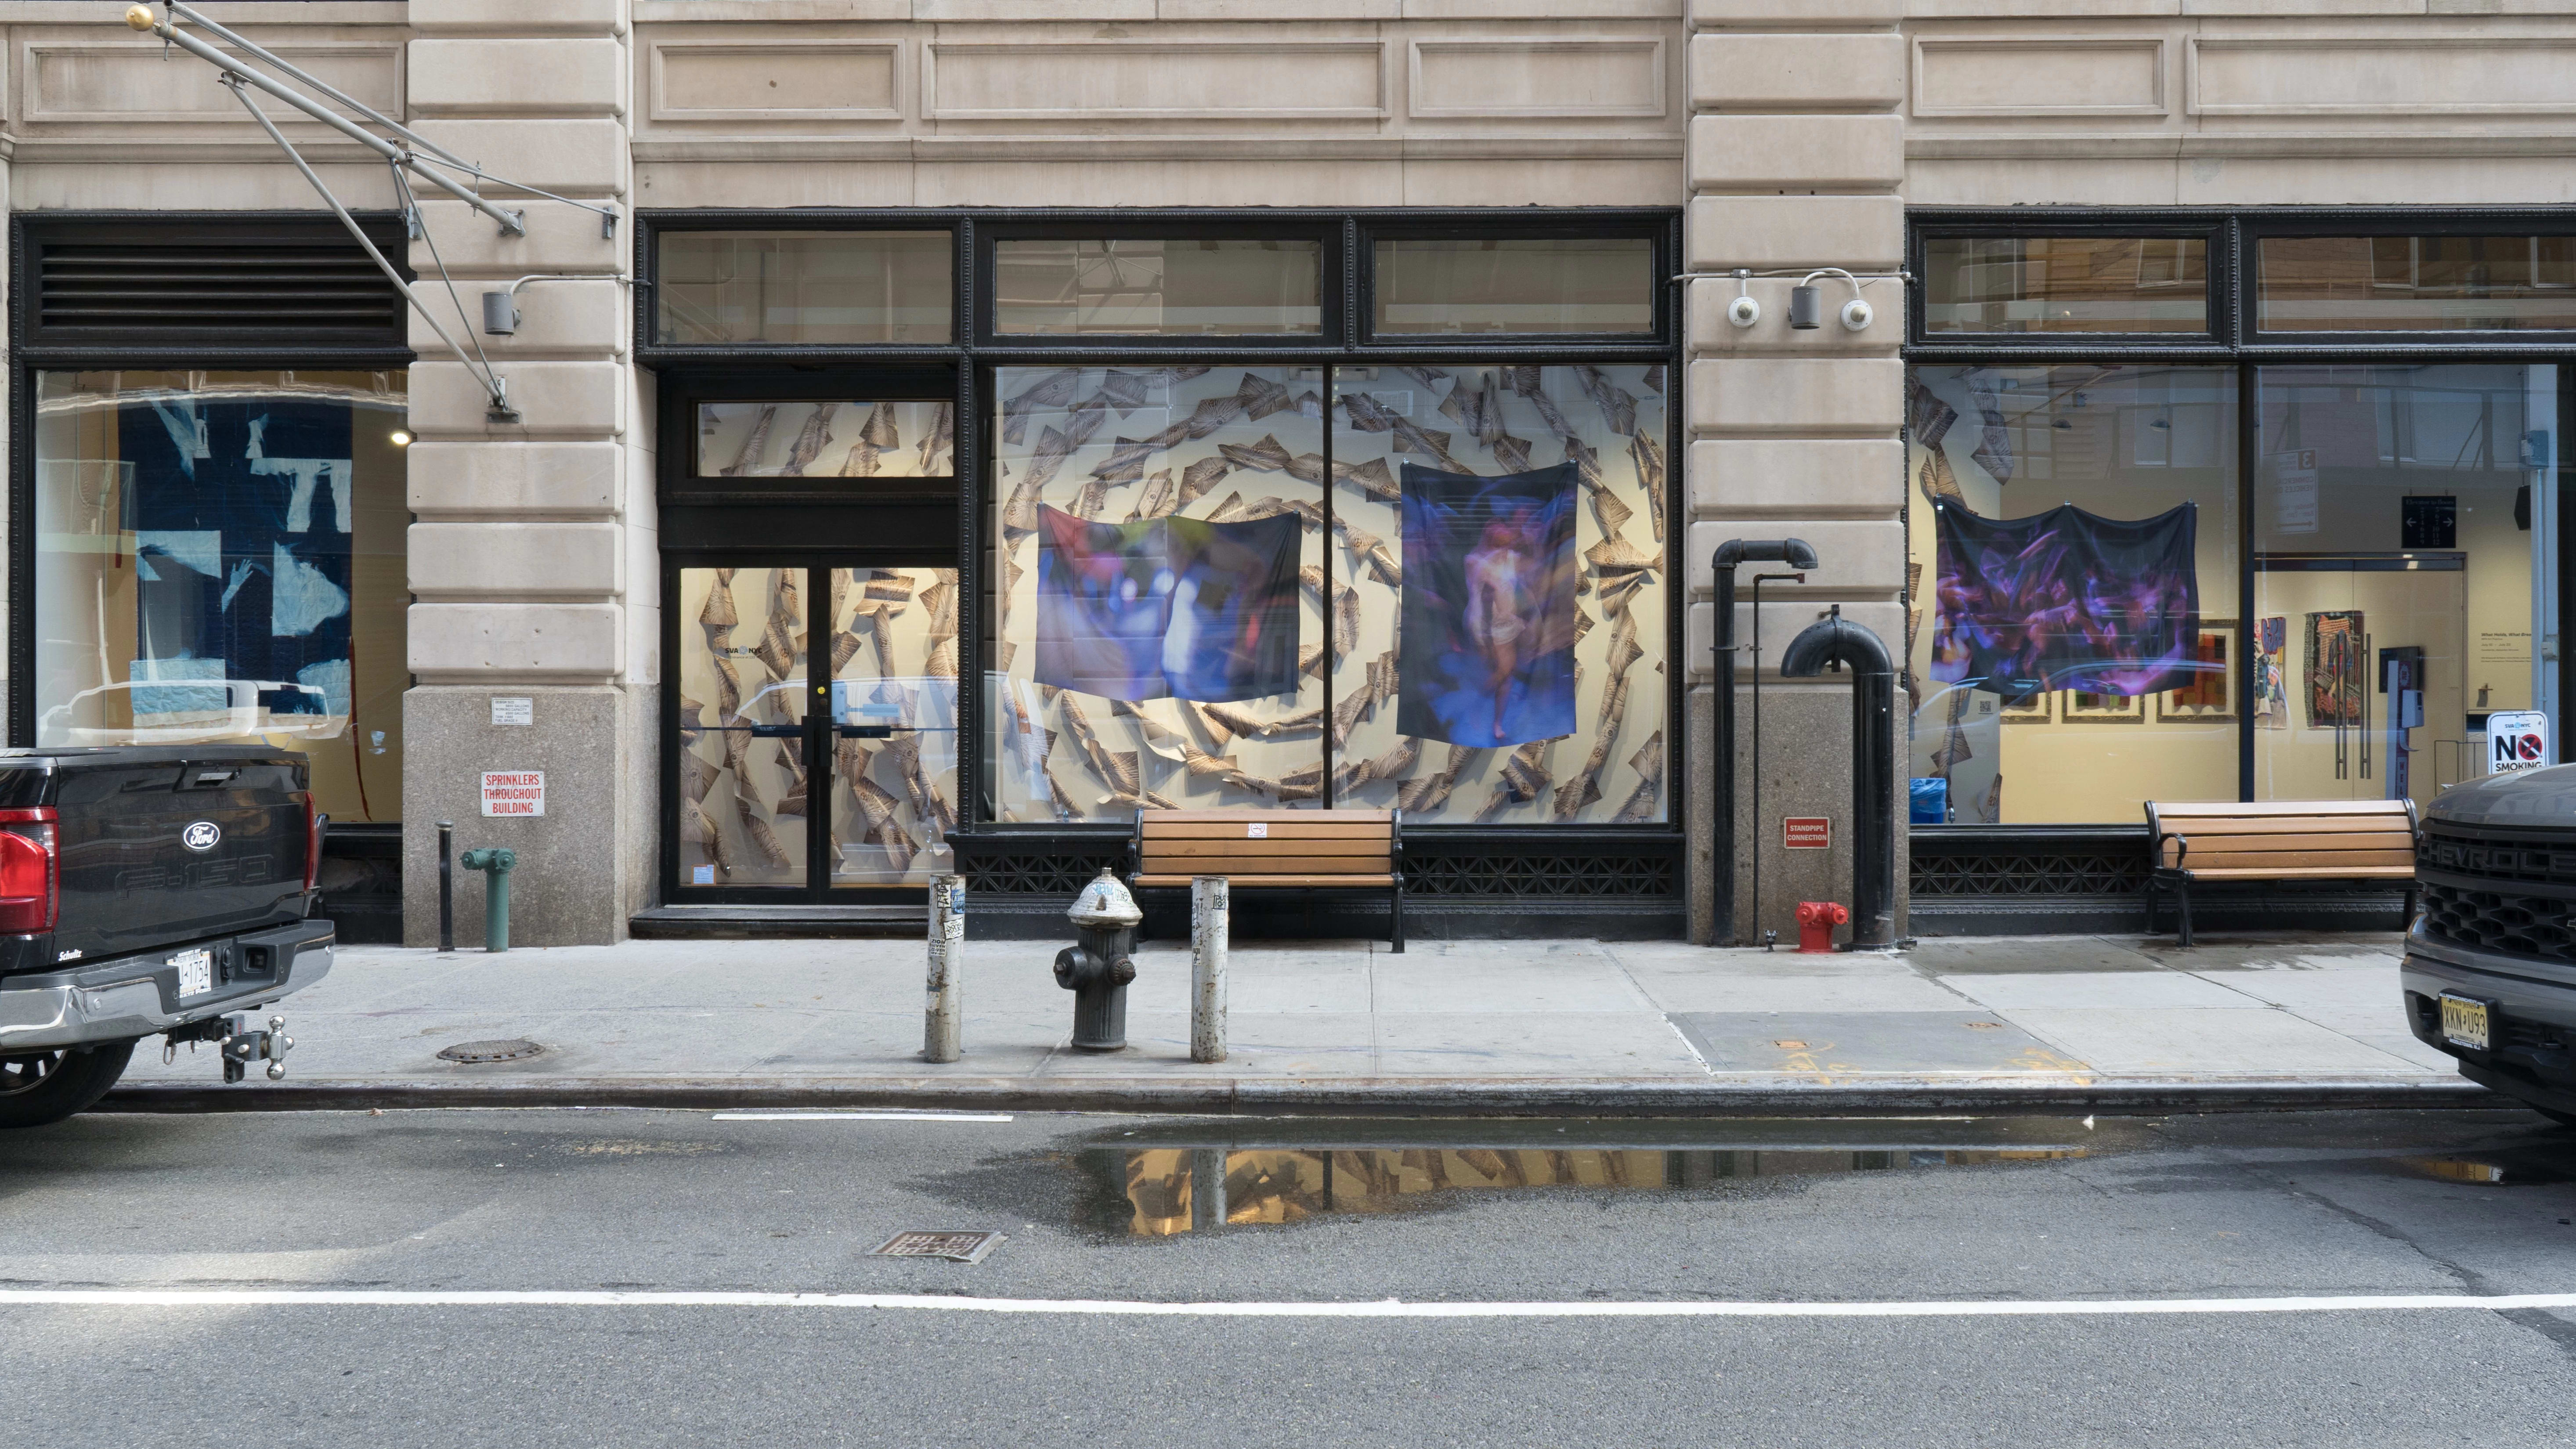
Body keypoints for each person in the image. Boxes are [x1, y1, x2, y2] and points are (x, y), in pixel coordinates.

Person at [1463, 510, 1536, 743]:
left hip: (1512, 624)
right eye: (1497, 528)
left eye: (1503, 527)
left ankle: (1497, 722)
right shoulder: (1479, 563)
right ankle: (1476, 706)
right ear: (1490, 535)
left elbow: (1526, 579)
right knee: (1505, 672)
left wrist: (1526, 616)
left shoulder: (1512, 559)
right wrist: (1480, 638)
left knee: (1507, 677)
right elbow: (1477, 600)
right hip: (1491, 628)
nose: (1504, 530)